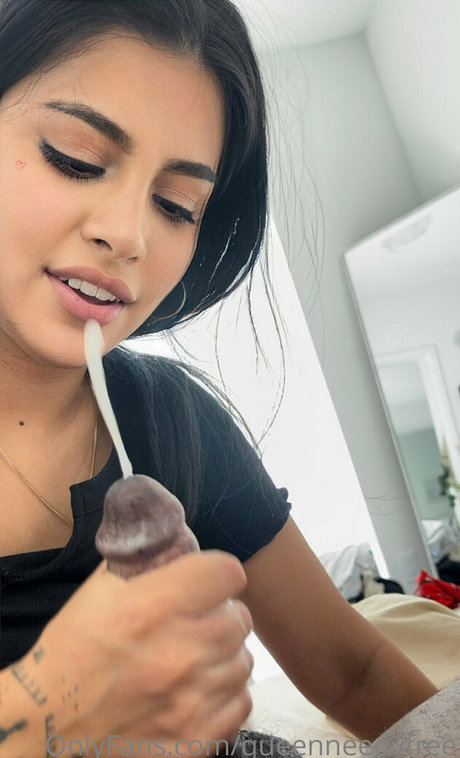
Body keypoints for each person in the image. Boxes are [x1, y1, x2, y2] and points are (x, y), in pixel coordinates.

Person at [0, 1, 437, 756]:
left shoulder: (173, 423)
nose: (128, 236)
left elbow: (354, 672)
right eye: (75, 158)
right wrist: (42, 712)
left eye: (177, 206)